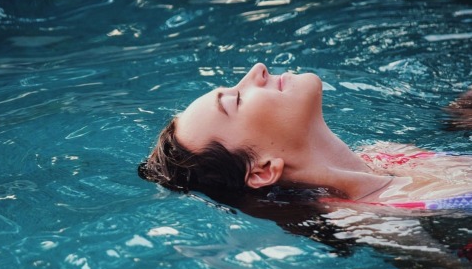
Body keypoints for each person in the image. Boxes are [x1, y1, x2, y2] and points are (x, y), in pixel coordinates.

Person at [139, 63, 472, 211]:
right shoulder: (365, 217)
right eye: (236, 100)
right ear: (261, 171)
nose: (257, 70)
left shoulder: (383, 154)